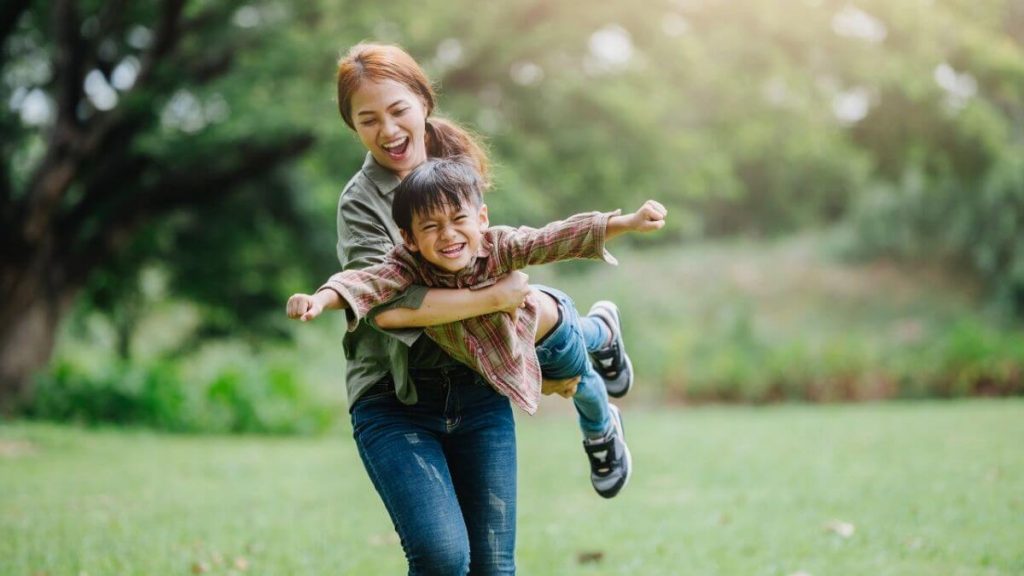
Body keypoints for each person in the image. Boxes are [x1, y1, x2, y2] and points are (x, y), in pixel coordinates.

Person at [310, 42, 635, 574]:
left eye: (398, 111)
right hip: (397, 396)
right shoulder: (360, 201)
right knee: (441, 558)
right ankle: (597, 341)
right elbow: (390, 304)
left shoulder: (453, 163)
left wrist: (611, 226)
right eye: (368, 120)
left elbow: (510, 249)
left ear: (423, 102)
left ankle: (596, 347)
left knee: (492, 567)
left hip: (474, 383)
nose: (388, 131)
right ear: (352, 127)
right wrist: (495, 299)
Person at [288, 158, 667, 497]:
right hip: (514, 345)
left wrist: (626, 222)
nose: (448, 235)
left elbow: (554, 238)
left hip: (546, 332)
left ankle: (602, 427)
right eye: (431, 227)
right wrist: (319, 300)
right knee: (581, 355)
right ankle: (602, 329)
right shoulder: (406, 268)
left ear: (481, 218)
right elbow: (363, 282)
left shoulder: (499, 246)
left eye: (458, 220)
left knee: (580, 383)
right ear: (409, 238)